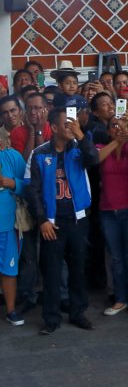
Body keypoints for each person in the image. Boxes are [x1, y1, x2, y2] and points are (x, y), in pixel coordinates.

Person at [25, 106, 99, 335]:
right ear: (54, 127)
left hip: (77, 220)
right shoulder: (40, 154)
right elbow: (32, 191)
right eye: (66, 124)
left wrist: (80, 134)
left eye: (73, 122)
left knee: (77, 269)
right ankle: (51, 317)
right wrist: (42, 220)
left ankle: (78, 313)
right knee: (52, 271)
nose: (71, 126)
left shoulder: (79, 148)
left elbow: (94, 159)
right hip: (52, 223)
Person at [96, 116, 128, 319]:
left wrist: (127, 135)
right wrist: (117, 139)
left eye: (122, 125)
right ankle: (120, 299)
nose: (118, 128)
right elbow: (96, 159)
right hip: (108, 210)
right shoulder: (100, 146)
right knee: (116, 258)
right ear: (107, 130)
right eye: (113, 125)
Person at [0, 137, 27, 326]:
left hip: (8, 225)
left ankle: (11, 310)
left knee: (9, 270)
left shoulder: (12, 156)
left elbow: (29, 184)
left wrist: (12, 183)